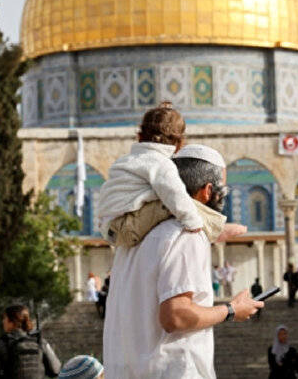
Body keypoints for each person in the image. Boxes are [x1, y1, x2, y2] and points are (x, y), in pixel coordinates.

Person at [103, 144, 262, 378]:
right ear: (208, 191)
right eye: (223, 191)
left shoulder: (132, 240)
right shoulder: (187, 232)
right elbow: (175, 316)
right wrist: (232, 310)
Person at [96, 104, 226, 248]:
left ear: (139, 137)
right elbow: (174, 194)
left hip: (108, 226)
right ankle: (217, 227)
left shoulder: (125, 160)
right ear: (180, 144)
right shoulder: (161, 164)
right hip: (126, 228)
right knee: (177, 203)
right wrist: (192, 222)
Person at [0, 304, 61, 379]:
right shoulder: (40, 342)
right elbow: (56, 370)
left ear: (12, 322)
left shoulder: (3, 344)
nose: (3, 321)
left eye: (5, 318)